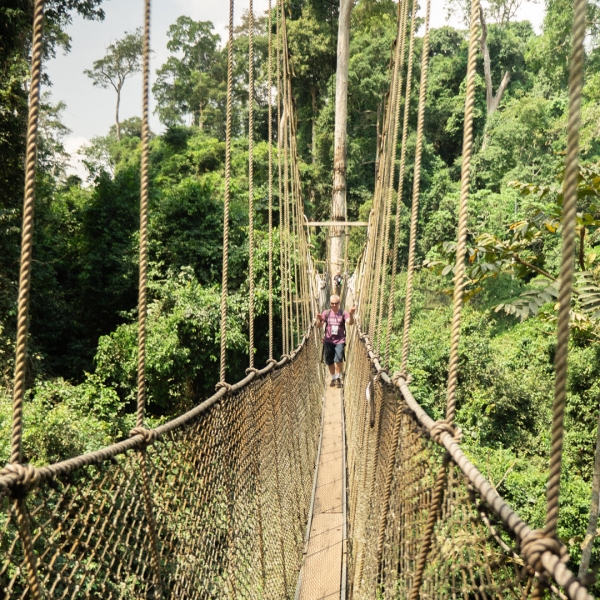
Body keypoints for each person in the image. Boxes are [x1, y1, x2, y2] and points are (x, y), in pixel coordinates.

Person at [317, 294, 355, 388]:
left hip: (340, 341)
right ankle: (333, 378)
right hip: (328, 340)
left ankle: (338, 377)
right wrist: (319, 320)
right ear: (330, 303)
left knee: (338, 359)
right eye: (332, 303)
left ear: (339, 303)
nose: (334, 305)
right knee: (329, 361)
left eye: (336, 303)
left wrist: (351, 314)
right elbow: (319, 326)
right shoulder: (326, 313)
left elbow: (350, 323)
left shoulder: (343, 313)